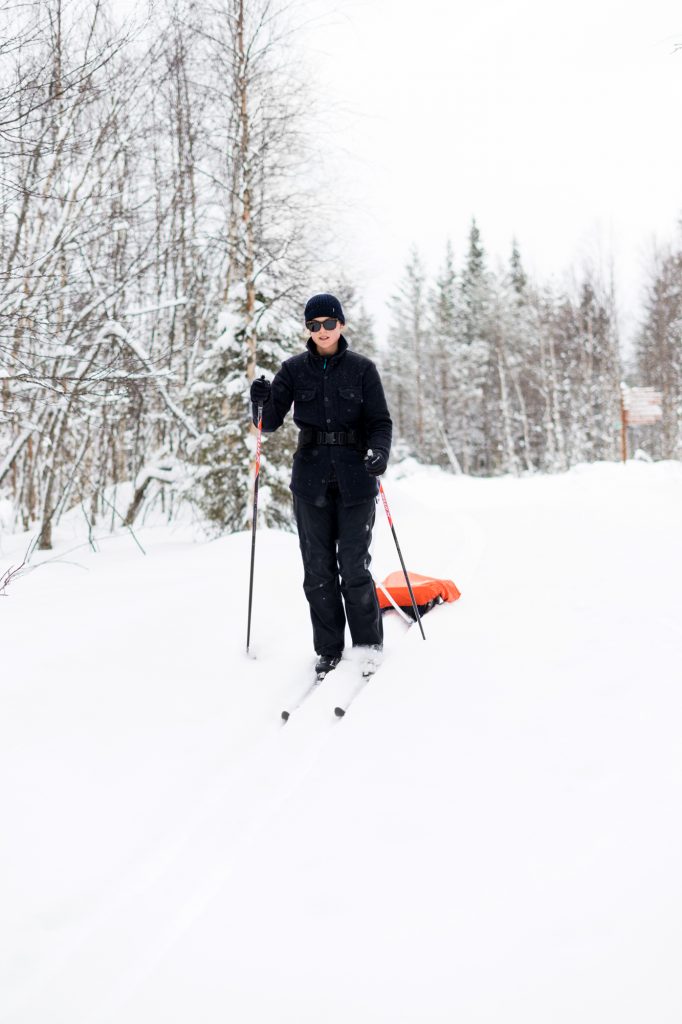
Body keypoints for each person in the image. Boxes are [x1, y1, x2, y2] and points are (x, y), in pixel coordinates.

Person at [250, 292, 392, 676]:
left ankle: (367, 645)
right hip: (310, 480)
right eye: (315, 325)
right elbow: (269, 422)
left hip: (356, 478)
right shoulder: (293, 370)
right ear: (308, 330)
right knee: (317, 569)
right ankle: (329, 649)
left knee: (354, 565)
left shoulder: (362, 370)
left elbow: (380, 422)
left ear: (341, 325)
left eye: (330, 323)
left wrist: (380, 453)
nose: (323, 331)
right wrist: (258, 402)